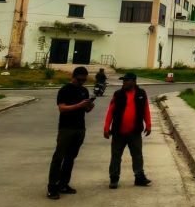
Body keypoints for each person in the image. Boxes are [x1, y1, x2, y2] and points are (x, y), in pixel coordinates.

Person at [47, 66, 94, 200]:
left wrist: (89, 106)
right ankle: (52, 187)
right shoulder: (65, 90)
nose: (81, 82)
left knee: (70, 158)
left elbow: (86, 110)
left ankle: (63, 184)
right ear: (73, 77)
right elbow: (62, 108)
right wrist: (79, 105)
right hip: (66, 128)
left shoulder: (84, 91)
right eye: (79, 80)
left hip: (80, 128)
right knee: (58, 157)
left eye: (84, 80)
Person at [103, 72, 152, 189]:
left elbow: (146, 109)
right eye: (123, 80)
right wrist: (106, 127)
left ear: (133, 81)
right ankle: (114, 178)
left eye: (126, 80)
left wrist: (148, 124)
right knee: (116, 156)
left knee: (137, 155)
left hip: (135, 132)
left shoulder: (141, 93)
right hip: (118, 132)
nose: (124, 82)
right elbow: (110, 111)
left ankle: (139, 177)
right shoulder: (118, 94)